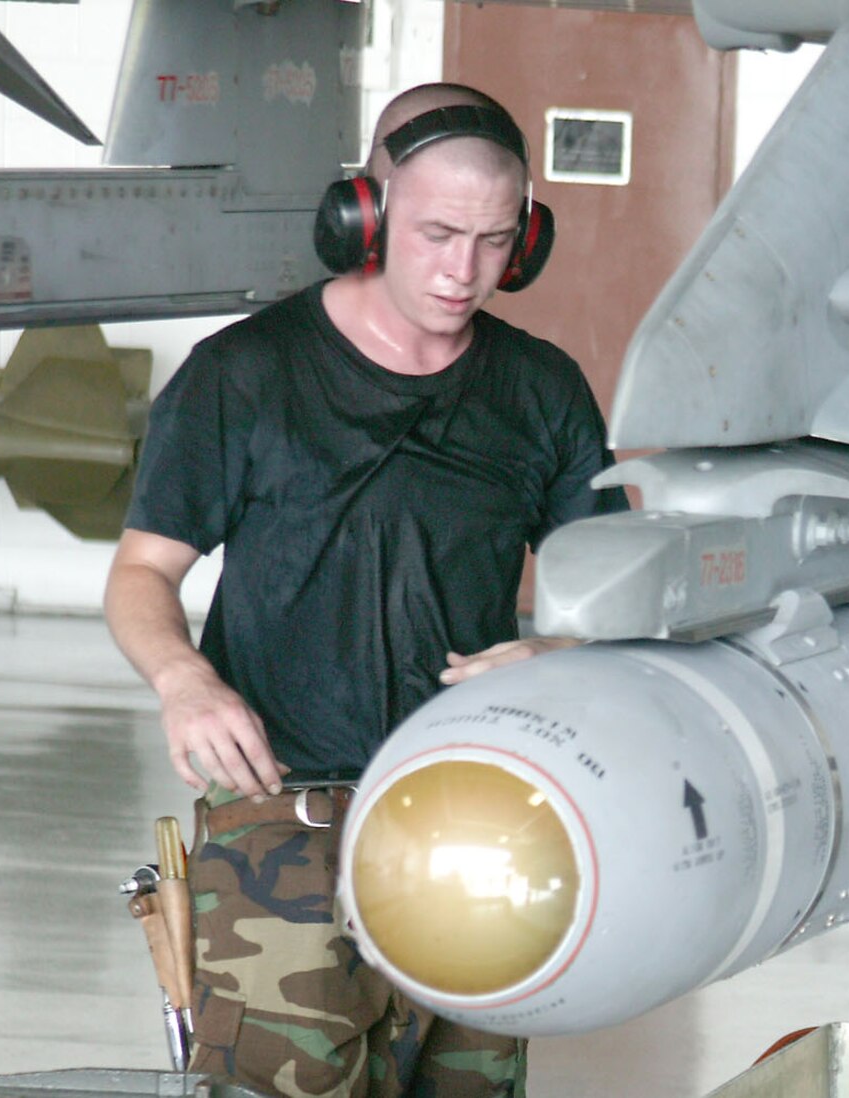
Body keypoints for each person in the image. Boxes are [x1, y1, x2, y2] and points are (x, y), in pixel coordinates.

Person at [104, 82, 626, 1097]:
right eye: (437, 234)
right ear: (366, 215)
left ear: (527, 239)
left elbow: (616, 597)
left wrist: (562, 657)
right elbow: (142, 571)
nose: (464, 270)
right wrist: (183, 680)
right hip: (281, 818)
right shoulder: (243, 374)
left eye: (495, 240)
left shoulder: (542, 390)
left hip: (473, 814)